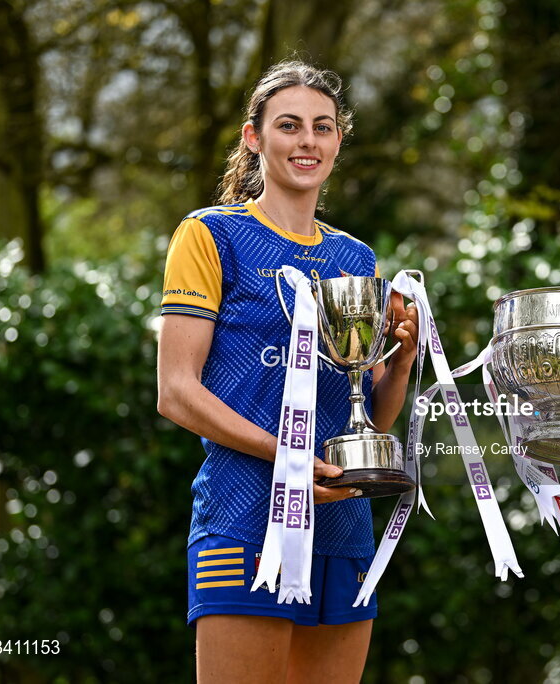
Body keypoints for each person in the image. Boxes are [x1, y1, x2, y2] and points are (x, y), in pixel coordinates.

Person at [156, 61, 418, 683]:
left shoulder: (354, 257)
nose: (308, 141)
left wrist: (401, 362)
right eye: (289, 126)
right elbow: (176, 392)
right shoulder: (209, 235)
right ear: (254, 138)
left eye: (322, 127)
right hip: (243, 518)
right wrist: (288, 459)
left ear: (338, 140)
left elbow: (367, 413)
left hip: (343, 522)